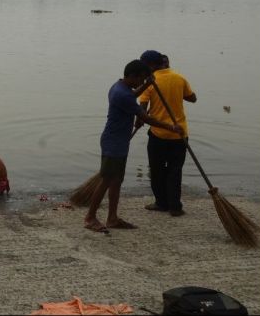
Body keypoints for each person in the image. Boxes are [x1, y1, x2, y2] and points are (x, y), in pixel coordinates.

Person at [84, 60, 183, 233]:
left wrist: (147, 85)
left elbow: (134, 95)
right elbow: (147, 118)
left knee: (116, 181)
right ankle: (90, 218)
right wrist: (171, 127)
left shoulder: (119, 87)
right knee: (106, 180)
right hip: (113, 143)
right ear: (133, 76)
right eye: (142, 79)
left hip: (119, 142)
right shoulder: (123, 95)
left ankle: (112, 218)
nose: (142, 83)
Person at [139, 50, 197, 217]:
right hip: (180, 134)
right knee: (175, 170)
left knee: (157, 170)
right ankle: (175, 207)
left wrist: (142, 118)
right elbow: (192, 98)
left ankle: (161, 203)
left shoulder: (149, 82)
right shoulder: (179, 78)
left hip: (159, 134)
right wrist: (176, 94)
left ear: (151, 65)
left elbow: (142, 109)